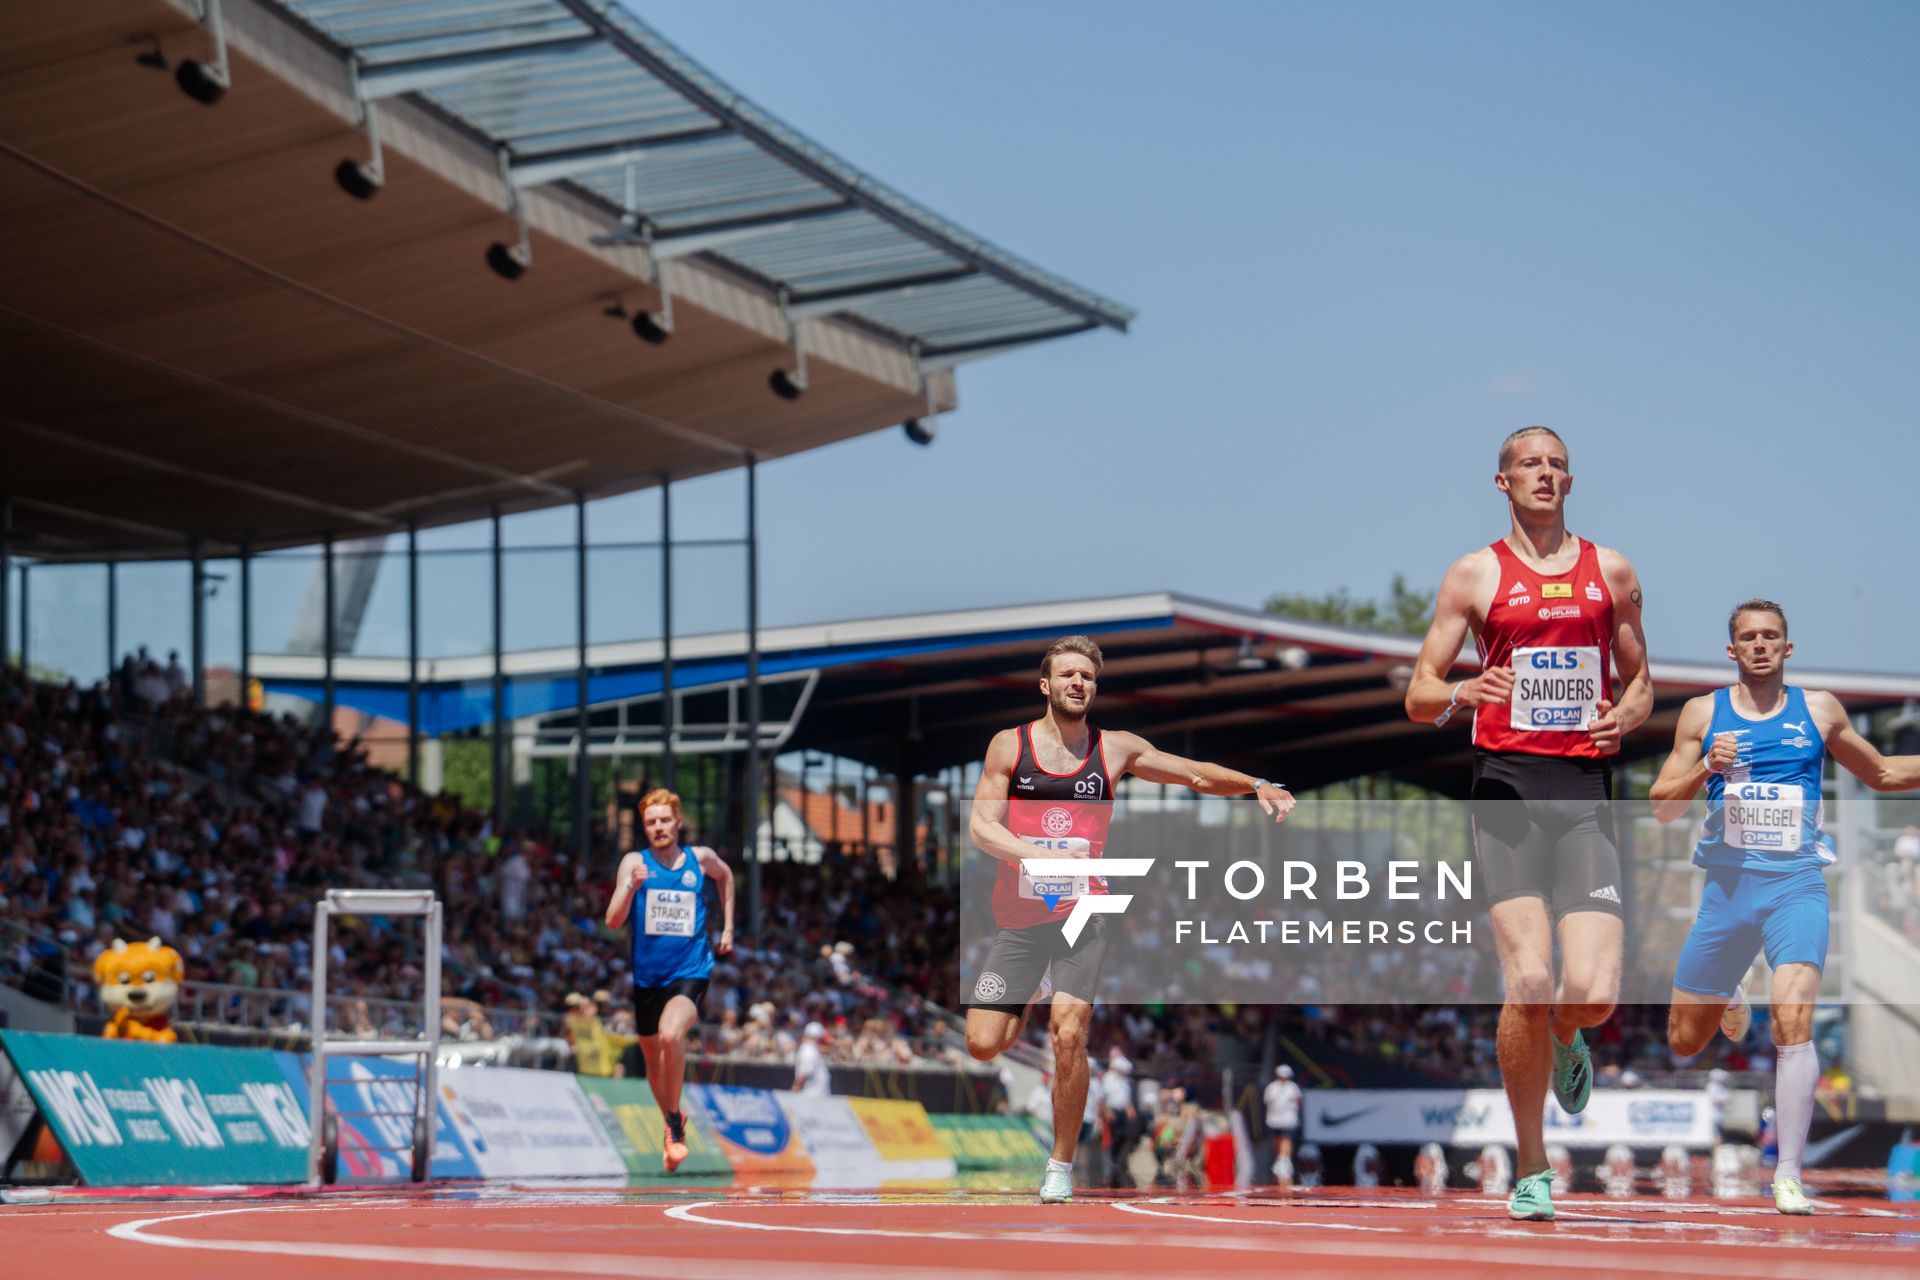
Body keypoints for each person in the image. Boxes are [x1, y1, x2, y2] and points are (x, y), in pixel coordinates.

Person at [1405, 426, 1652, 1221]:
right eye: (1529, 465)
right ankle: (1533, 1165)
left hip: (1582, 788)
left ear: (1570, 483)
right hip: (1506, 787)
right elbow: (1418, 690)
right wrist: (1460, 696)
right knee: (1532, 981)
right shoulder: (1474, 574)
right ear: (1502, 482)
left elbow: (1642, 679)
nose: (1544, 475)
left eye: (1556, 465)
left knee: (1594, 994)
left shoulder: (1610, 569)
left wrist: (1625, 717)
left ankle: (1569, 1039)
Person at [964, 633, 1296, 1203]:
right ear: (1045, 685)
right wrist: (1036, 853)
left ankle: (1060, 1167)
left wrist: (1255, 783)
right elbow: (980, 828)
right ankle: (1030, 988)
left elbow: (1191, 773)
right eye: (1068, 675)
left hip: (1083, 910)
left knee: (1069, 1035)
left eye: (1087, 677)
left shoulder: (1113, 749)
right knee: (983, 1043)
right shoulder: (1009, 747)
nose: (1079, 683)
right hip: (1020, 919)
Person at [1649, 598, 1920, 1215]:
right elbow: (1662, 803)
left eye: (1772, 636)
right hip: (1727, 892)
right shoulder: (1701, 713)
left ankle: (1788, 1175)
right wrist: (1702, 772)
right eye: (1749, 637)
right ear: (1733, 650)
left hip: (1796, 883)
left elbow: (1879, 772)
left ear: (1788, 648)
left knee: (1794, 1018)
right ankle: (1728, 995)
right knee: (1686, 1041)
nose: (1761, 645)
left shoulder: (1819, 709)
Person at [604, 788, 735, 1172]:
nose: (658, 827)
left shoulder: (700, 859)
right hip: (647, 977)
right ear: (644, 828)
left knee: (670, 1035)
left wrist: (728, 928)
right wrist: (631, 886)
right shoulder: (634, 862)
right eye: (650, 822)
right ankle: (671, 1121)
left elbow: (726, 877)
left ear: (678, 823)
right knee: (653, 1062)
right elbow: (612, 922)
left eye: (664, 820)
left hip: (690, 972)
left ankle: (674, 1125)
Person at [1263, 1064, 1303, 1185]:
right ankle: (1279, 1160)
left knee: (1286, 1139)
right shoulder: (1271, 1087)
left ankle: (1285, 1161)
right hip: (1274, 1119)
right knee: (1277, 1140)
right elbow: (1266, 1102)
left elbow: (1298, 1101)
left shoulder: (1293, 1087)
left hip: (1288, 1119)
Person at [792, 1020, 832, 1096]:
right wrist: (794, 1092)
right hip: (811, 1098)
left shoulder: (812, 1049)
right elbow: (803, 1075)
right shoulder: (808, 1050)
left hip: (817, 1097)